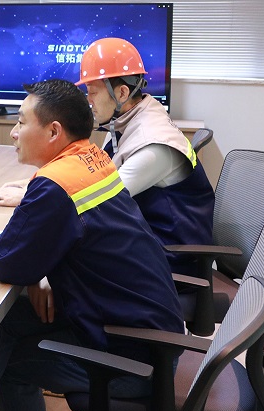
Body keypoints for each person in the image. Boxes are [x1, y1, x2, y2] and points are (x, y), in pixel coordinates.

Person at [0, 79, 183, 411]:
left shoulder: (56, 185)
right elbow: (48, 248)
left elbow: (6, 261)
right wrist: (37, 271)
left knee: (6, 361)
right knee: (7, 323)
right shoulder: (91, 158)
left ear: (53, 132)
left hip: (132, 360)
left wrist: (34, 268)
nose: (13, 132)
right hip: (148, 331)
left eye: (21, 122)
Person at [77, 37, 215, 275]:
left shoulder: (152, 143)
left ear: (122, 92)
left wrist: (41, 198)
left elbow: (101, 201)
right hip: (147, 239)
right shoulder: (124, 121)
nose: (88, 100)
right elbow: (96, 174)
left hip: (170, 259)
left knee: (72, 254)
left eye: (93, 92)